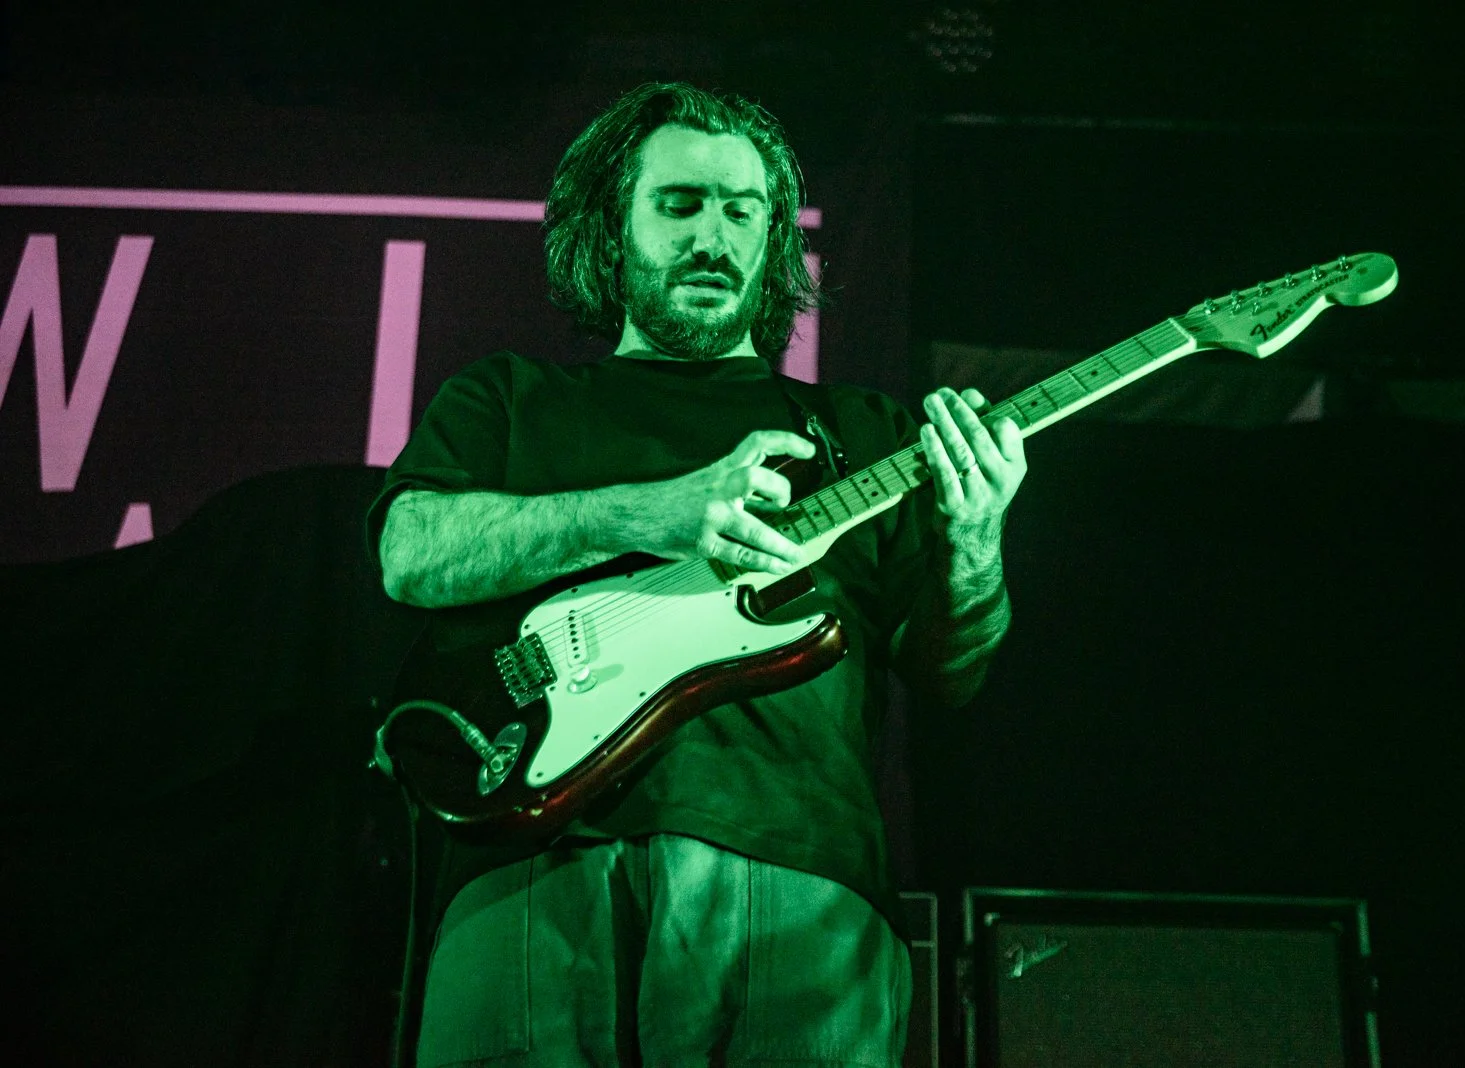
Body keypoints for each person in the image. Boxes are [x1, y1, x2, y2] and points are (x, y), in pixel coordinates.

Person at [369, 81, 1025, 1068]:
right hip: (524, 864)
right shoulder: (510, 399)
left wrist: (975, 543)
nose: (712, 236)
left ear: (772, 241)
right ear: (611, 227)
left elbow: (948, 671)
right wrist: (653, 510)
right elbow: (410, 552)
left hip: (791, 867)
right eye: (677, 205)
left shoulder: (861, 435)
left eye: (740, 208)